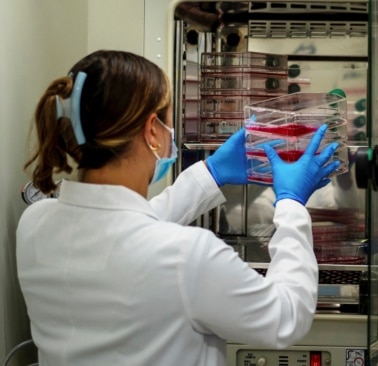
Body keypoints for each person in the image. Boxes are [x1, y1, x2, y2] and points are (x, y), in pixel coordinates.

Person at [16, 49, 340, 366]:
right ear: (153, 132)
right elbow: (287, 316)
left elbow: (121, 236)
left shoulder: (35, 224)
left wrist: (210, 173)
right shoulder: (188, 256)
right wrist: (292, 204)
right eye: (170, 121)